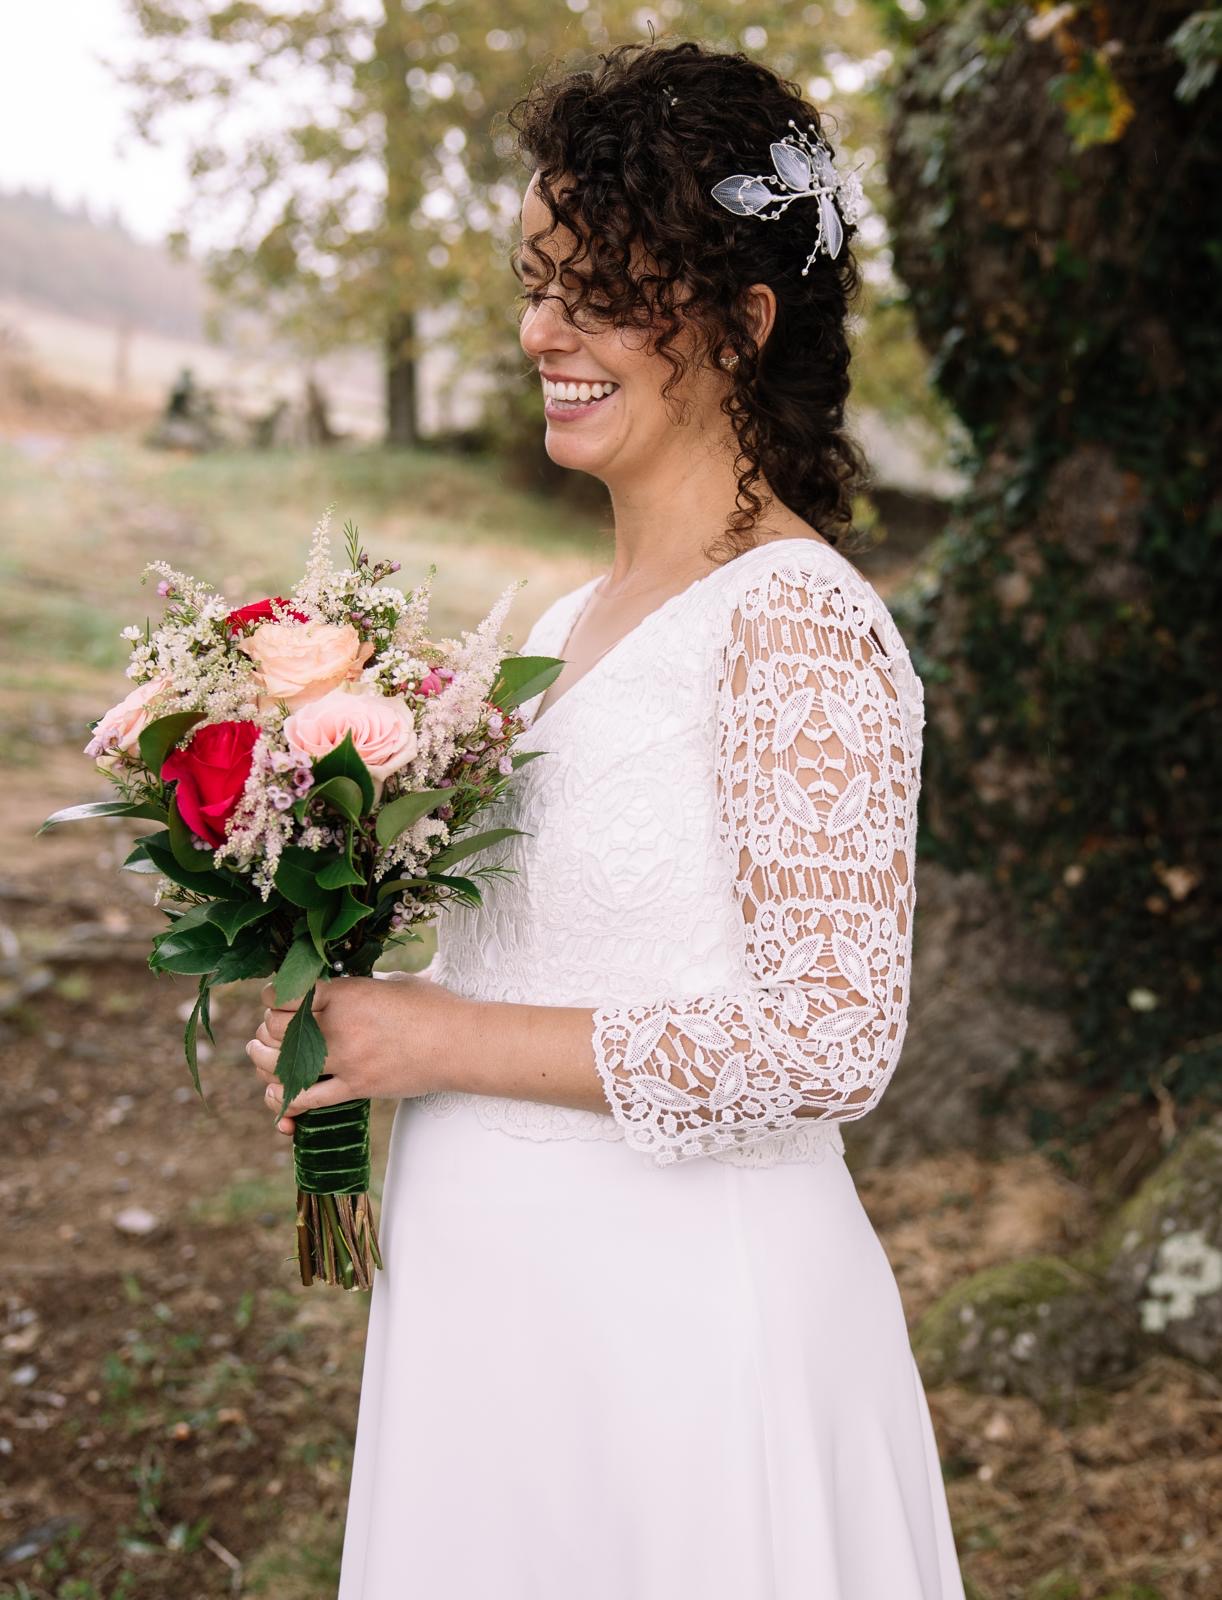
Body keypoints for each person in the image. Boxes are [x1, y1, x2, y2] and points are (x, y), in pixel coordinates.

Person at [246, 38, 967, 1600]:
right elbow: (552, 950)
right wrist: (358, 1007)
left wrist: (437, 1039)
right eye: (536, 285)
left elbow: (828, 1041)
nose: (542, 331)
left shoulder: (795, 625)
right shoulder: (562, 620)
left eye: (601, 292)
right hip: (498, 1315)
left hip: (680, 1340)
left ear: (744, 323)